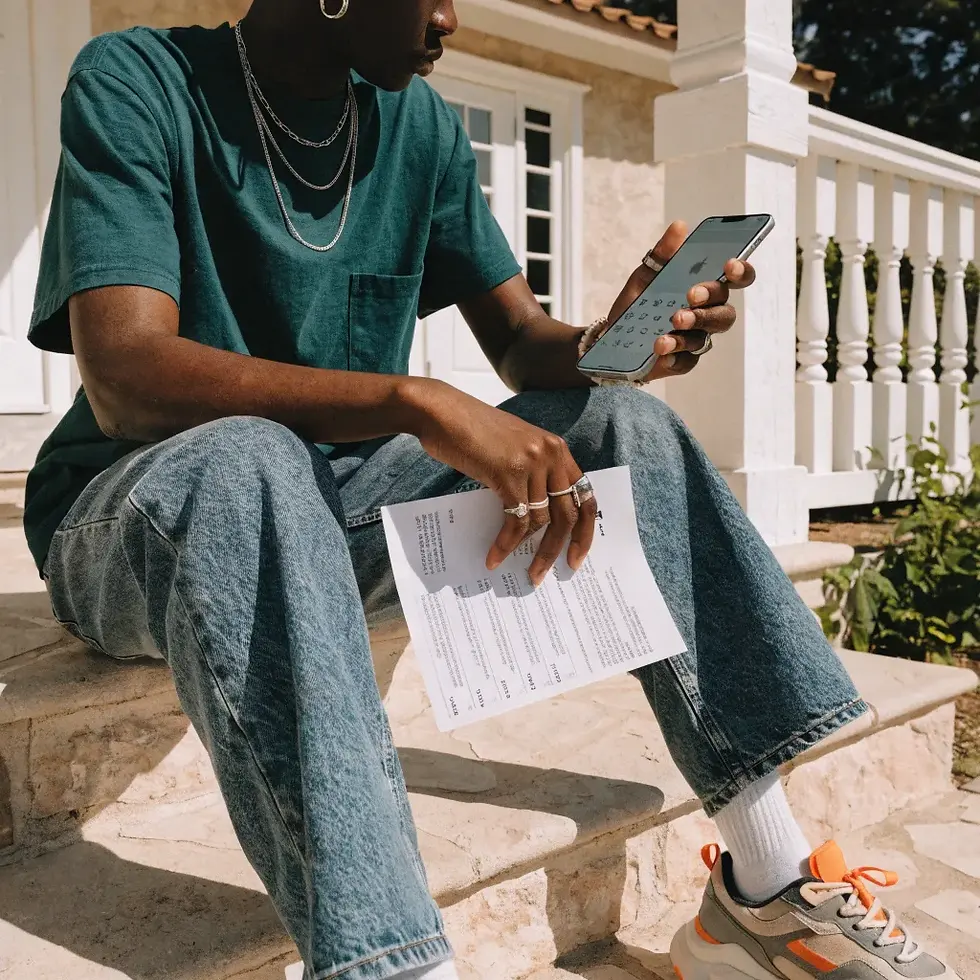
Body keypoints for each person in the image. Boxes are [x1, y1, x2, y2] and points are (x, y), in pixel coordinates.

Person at [22, 1, 957, 978]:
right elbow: (125, 374)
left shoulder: (416, 123)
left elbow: (516, 338)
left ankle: (762, 887)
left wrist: (610, 339)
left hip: (339, 496)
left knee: (617, 428)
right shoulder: (137, 80)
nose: (450, 17)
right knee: (248, 461)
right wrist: (414, 399)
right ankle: (393, 965)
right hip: (142, 509)